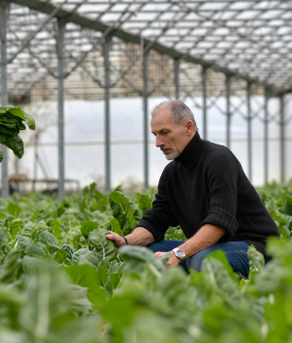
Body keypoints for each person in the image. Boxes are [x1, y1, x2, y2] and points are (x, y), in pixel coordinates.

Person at [105, 100, 279, 278]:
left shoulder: (219, 160)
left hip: (255, 247)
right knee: (144, 253)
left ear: (188, 127)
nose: (158, 142)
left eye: (165, 132)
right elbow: (156, 221)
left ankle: (231, 291)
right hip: (214, 247)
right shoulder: (171, 174)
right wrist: (126, 241)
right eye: (155, 134)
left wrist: (178, 253)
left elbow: (220, 222)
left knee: (203, 259)